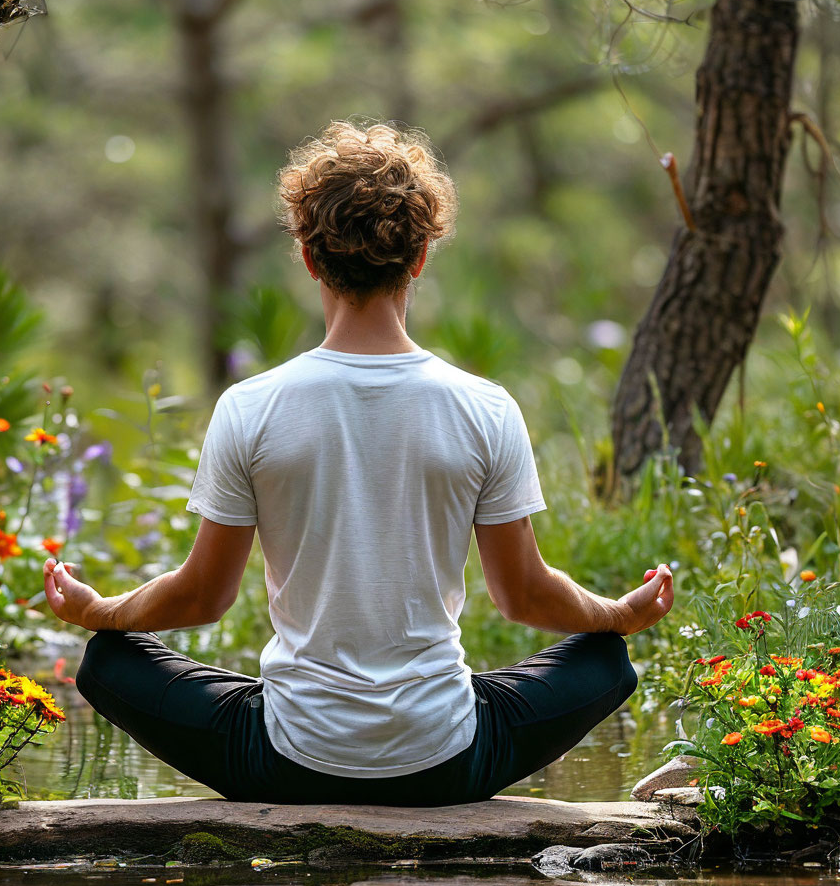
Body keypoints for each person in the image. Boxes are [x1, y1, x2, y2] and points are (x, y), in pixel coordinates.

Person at [43, 120, 674, 806]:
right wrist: (618, 615)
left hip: (286, 763)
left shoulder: (251, 406)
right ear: (421, 258)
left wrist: (98, 611)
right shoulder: (484, 408)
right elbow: (523, 595)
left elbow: (203, 597)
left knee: (109, 659)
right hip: (447, 763)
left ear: (311, 260)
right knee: (606, 659)